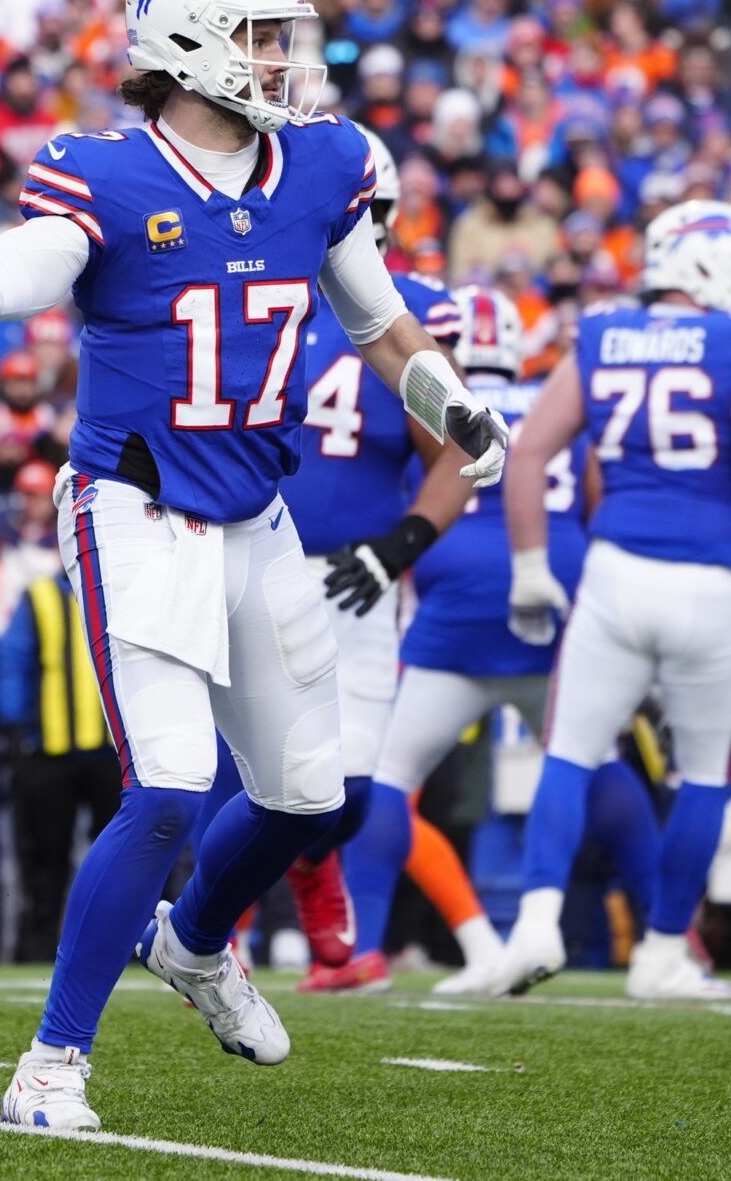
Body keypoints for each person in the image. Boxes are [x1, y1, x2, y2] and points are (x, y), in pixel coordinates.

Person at [0, 0, 511, 1130]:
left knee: (309, 793)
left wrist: (452, 405)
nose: (287, 58)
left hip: (258, 509)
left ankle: (195, 942)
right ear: (189, 41)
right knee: (171, 787)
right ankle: (50, 1064)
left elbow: (381, 324)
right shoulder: (106, 175)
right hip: (136, 507)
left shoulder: (323, 165)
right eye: (262, 34)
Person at [495, 200, 731, 1000]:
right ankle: (663, 951)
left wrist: (531, 563)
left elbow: (529, 449)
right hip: (712, 583)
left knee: (570, 751)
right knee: (708, 774)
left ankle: (535, 920)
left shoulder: (602, 333)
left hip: (614, 574)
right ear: (703, 263)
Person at [328, 286, 605, 993]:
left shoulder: (427, 392)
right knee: (586, 764)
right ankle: (671, 933)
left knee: (386, 779)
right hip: (551, 592)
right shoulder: (550, 398)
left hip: (453, 607)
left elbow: (409, 476)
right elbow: (597, 492)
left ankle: (371, 946)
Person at [274, 126, 472, 975]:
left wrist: (401, 546)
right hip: (254, 555)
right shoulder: (263, 282)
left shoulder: (414, 311)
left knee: (349, 790)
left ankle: (314, 867)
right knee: (224, 764)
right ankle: (210, 933)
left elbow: (454, 455)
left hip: (358, 577)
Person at [0, 571, 121, 963]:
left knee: (122, 858)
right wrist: (15, 728)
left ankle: (123, 944)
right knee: (44, 858)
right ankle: (36, 947)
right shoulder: (39, 596)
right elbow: (13, 660)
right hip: (50, 754)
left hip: (114, 754)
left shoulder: (124, 587)